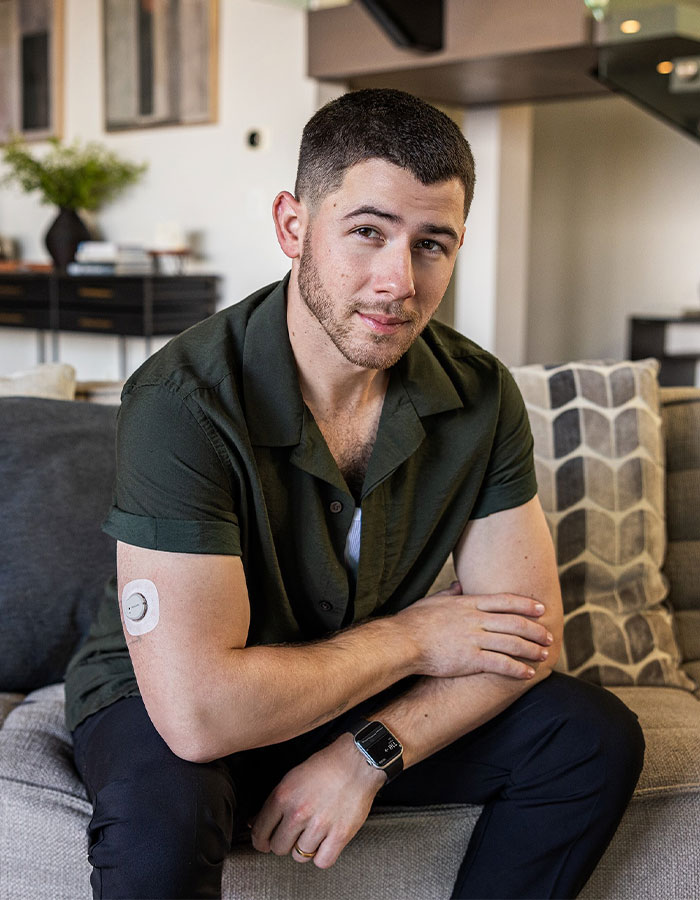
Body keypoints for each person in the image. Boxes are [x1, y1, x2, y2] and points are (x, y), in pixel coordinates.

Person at [65, 88, 644, 900]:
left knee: (591, 736)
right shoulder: (181, 399)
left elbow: (525, 642)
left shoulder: (480, 395)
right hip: (173, 703)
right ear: (293, 227)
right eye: (368, 231)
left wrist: (367, 751)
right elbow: (199, 714)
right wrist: (412, 640)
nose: (397, 281)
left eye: (432, 243)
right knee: (166, 805)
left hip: (351, 700)